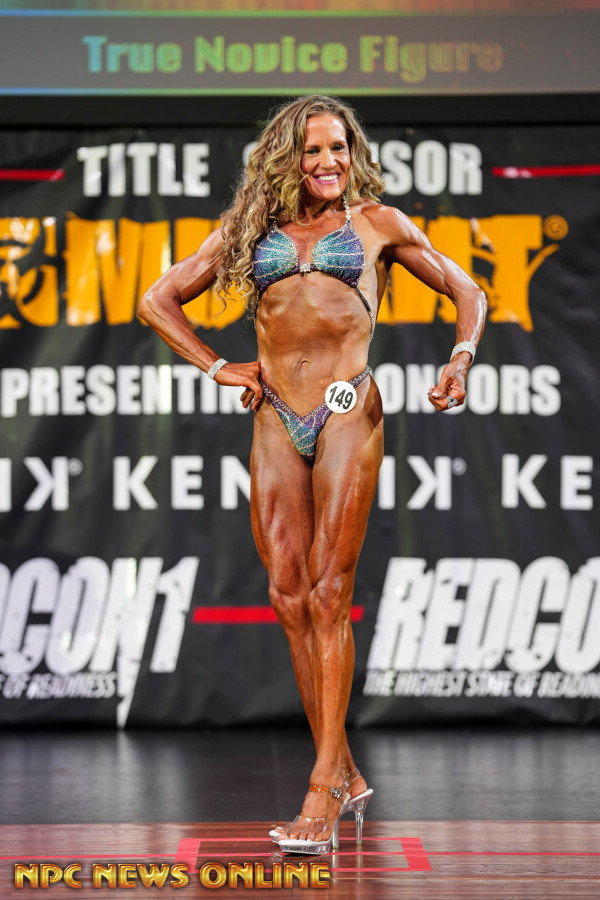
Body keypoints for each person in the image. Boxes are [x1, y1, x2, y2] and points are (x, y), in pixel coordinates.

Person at [137, 94, 486, 855]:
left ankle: (323, 787)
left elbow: (469, 290)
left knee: (330, 592)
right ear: (285, 160)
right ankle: (346, 769)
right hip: (273, 414)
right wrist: (217, 366)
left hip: (346, 409)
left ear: (351, 152)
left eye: (337, 148)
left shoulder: (379, 224)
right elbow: (156, 300)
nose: (327, 162)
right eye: (311, 151)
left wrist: (459, 360)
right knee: (288, 595)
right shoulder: (252, 229)